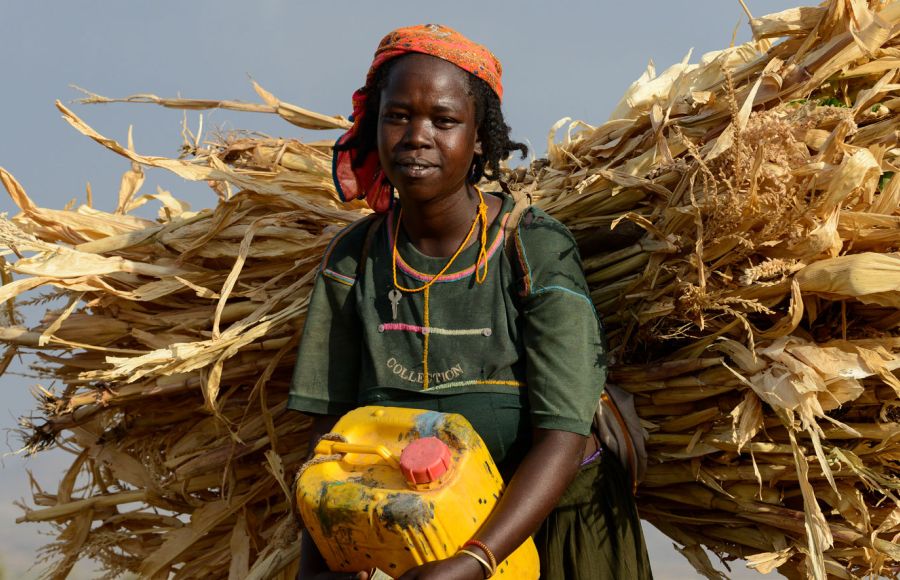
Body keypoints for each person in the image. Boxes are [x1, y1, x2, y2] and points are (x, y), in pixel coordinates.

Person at [289, 24, 652, 580]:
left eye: (443, 119)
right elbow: (331, 441)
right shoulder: (353, 261)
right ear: (373, 125)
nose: (416, 135)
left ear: (480, 137)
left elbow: (564, 433)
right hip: (407, 543)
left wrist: (474, 560)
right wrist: (321, 563)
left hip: (552, 536)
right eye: (397, 116)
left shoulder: (532, 249)